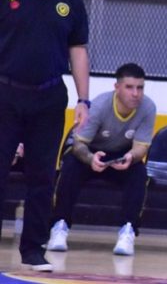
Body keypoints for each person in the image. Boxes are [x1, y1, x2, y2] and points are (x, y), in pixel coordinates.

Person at [0, 0, 90, 272]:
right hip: (5, 95)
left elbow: (78, 50)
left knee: (42, 178)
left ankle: (33, 250)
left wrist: (84, 100)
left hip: (49, 98)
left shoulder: (71, 0)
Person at [47, 63, 156, 256]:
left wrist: (131, 157)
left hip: (121, 156)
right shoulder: (99, 106)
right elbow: (79, 144)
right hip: (90, 153)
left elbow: (141, 147)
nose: (135, 93)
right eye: (129, 87)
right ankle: (59, 226)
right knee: (70, 166)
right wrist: (91, 159)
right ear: (117, 88)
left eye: (140, 88)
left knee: (139, 173)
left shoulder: (148, 107)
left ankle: (128, 231)